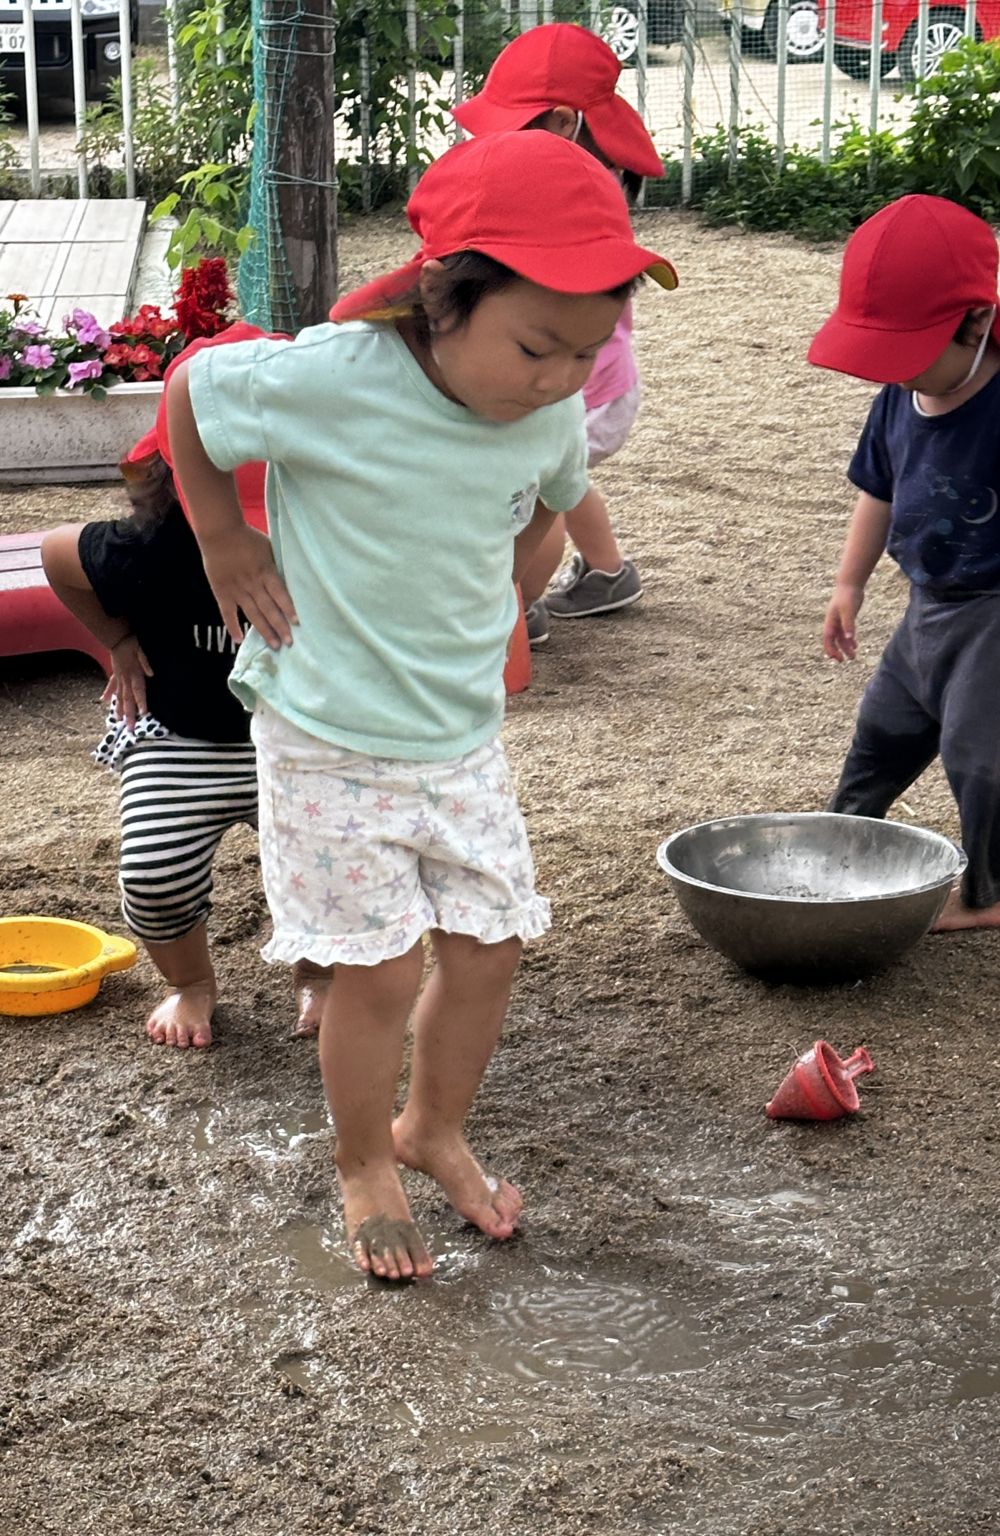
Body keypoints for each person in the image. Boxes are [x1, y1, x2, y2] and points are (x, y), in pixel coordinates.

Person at [165, 131, 677, 1279]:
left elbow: (555, 495)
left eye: (585, 357)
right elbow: (193, 384)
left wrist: (511, 592)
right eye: (538, 345)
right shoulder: (330, 376)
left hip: (458, 735)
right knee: (381, 969)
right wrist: (221, 536)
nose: (558, 381)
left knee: (489, 946)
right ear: (444, 299)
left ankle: (432, 1127)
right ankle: (363, 1161)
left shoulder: (547, 410)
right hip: (327, 731)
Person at [41, 322, 333, 1049]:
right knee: (153, 877)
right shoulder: (155, 548)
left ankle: (319, 974)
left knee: (336, 868)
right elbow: (55, 555)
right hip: (182, 736)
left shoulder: (337, 539)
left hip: (304, 741)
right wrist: (118, 641)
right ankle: (190, 982)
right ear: (179, 488)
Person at [810, 193, 1000, 932]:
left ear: (978, 321)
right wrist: (848, 583)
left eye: (906, 351)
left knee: (981, 758)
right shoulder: (900, 395)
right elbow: (878, 488)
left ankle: (988, 892)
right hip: (926, 604)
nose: (892, 371)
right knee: (881, 733)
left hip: (991, 613)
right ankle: (835, 846)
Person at [452, 22, 664, 645]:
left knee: (538, 487)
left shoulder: (563, 194)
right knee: (562, 476)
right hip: (598, 384)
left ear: (565, 123)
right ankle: (606, 572)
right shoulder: (592, 182)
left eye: (515, 120)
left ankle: (525, 599)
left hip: (579, 387)